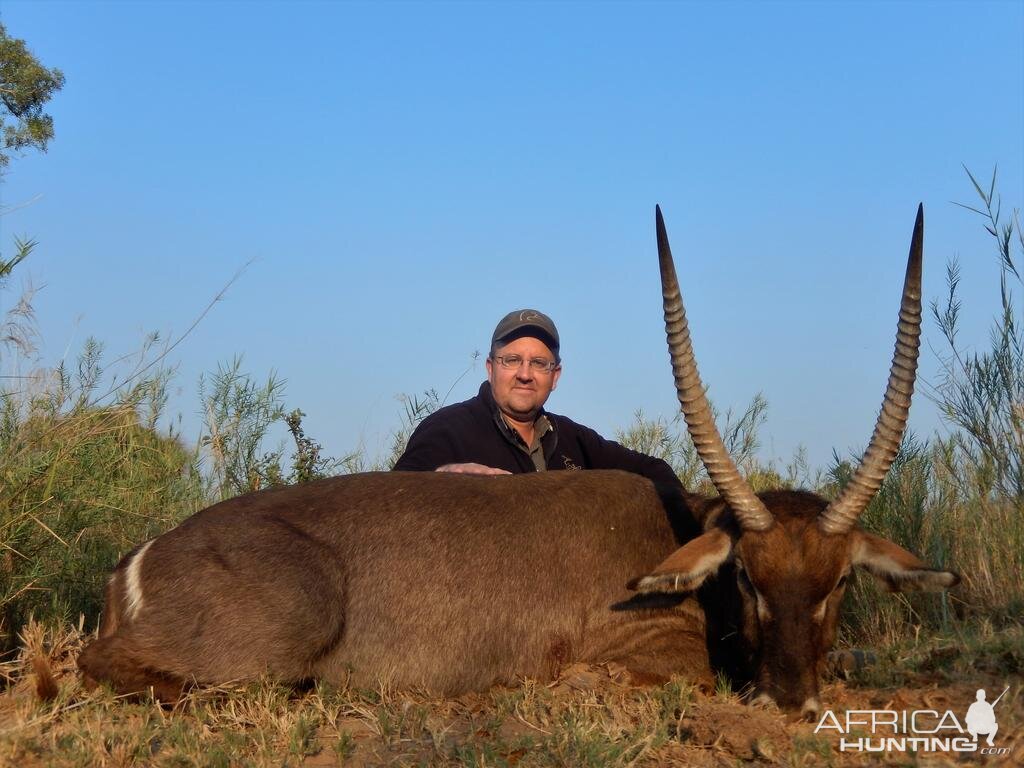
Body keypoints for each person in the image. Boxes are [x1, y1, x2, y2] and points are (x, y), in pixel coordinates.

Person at [393, 309, 681, 490]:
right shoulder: (448, 430)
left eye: (539, 363)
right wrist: (437, 476)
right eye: (512, 360)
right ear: (490, 368)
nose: (525, 374)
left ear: (555, 376)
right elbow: (395, 493)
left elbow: (655, 471)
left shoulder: (575, 440)